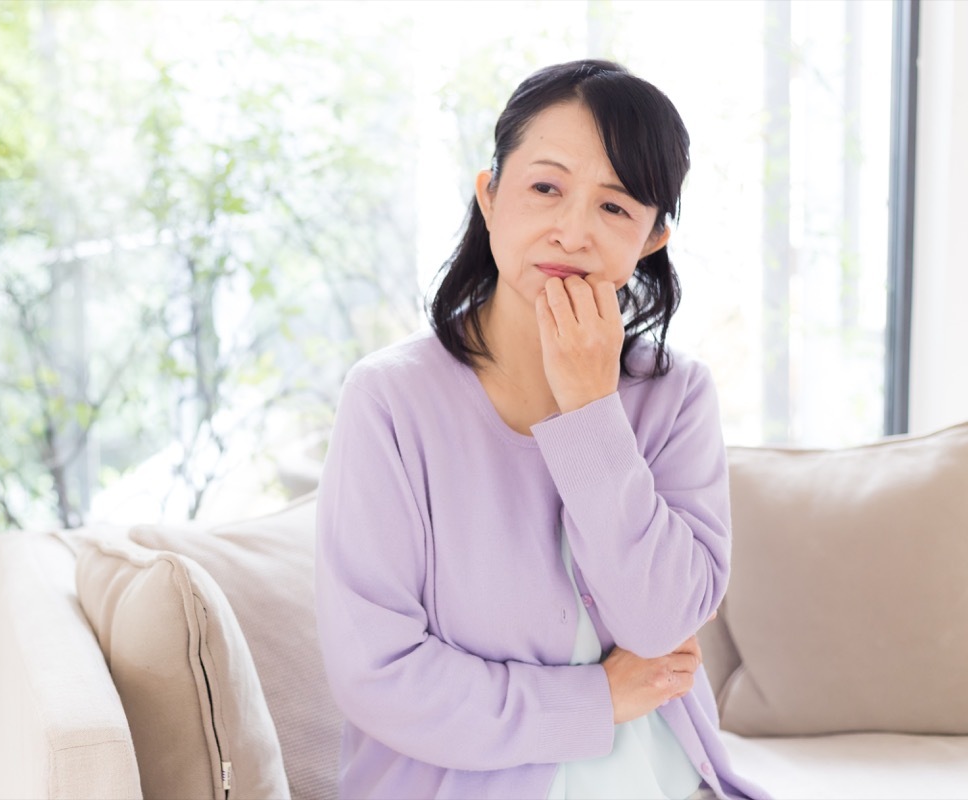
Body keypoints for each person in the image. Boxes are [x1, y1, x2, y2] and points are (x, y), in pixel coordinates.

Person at [313, 59, 770, 800]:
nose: (573, 231)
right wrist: (595, 701)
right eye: (546, 187)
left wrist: (592, 410)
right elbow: (381, 674)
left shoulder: (677, 395)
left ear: (651, 239)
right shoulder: (389, 401)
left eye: (615, 208)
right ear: (490, 197)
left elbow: (659, 624)